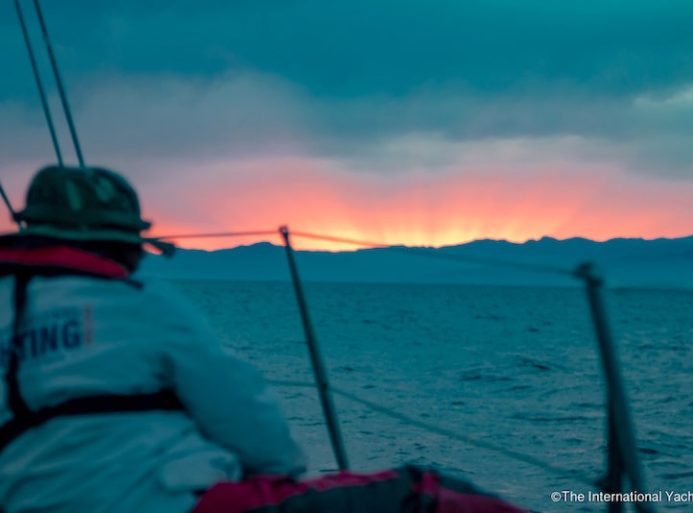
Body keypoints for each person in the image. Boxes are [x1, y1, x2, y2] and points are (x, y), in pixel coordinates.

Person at [0, 165, 527, 513]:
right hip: (165, 503)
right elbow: (241, 412)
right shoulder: (140, 303)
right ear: (120, 244)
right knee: (425, 494)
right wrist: (278, 475)